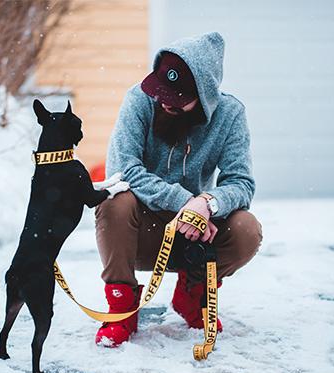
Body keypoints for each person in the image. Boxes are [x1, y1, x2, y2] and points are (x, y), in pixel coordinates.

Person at [94, 32, 263, 347]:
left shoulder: (230, 115)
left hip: (195, 238)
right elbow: (123, 171)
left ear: (204, 95)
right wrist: (187, 202)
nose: (163, 100)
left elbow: (240, 182)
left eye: (176, 97)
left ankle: (193, 293)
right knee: (115, 200)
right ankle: (121, 309)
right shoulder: (138, 101)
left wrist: (208, 204)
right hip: (141, 231)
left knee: (246, 228)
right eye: (161, 91)